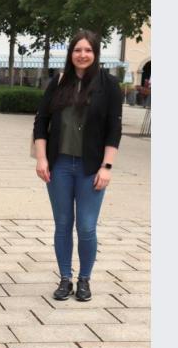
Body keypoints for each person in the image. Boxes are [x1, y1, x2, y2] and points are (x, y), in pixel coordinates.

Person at [32, 30, 122, 302]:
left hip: (91, 167)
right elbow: (41, 121)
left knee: (86, 226)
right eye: (77, 50)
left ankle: (84, 279)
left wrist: (107, 166)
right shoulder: (58, 82)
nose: (82, 55)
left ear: (96, 54)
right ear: (70, 54)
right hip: (59, 165)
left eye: (88, 50)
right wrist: (42, 158)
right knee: (62, 224)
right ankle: (65, 278)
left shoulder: (109, 85)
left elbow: (113, 129)